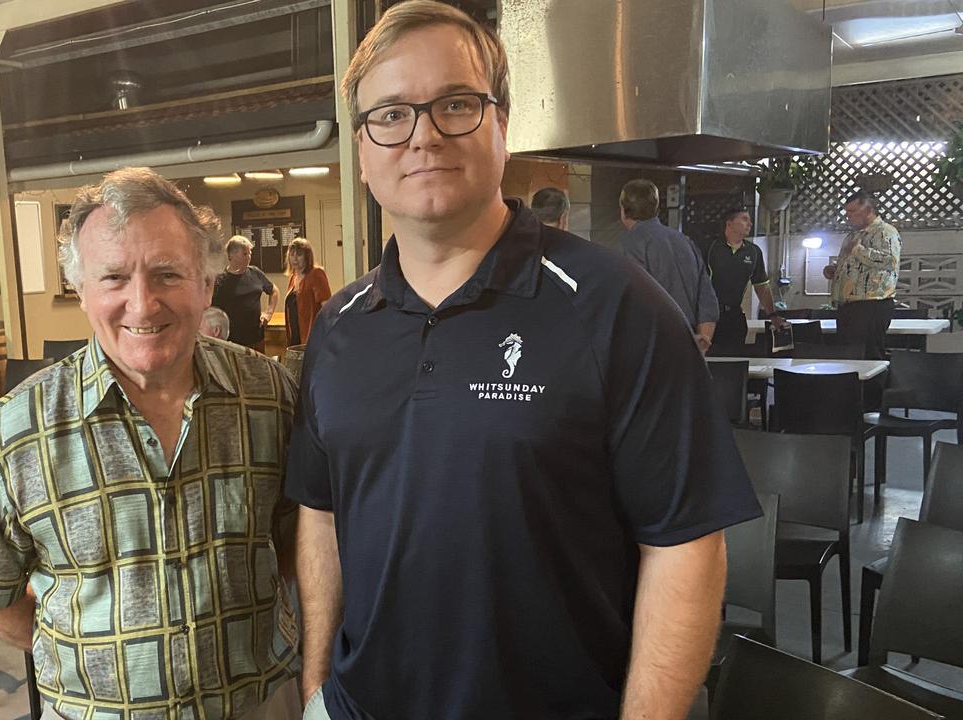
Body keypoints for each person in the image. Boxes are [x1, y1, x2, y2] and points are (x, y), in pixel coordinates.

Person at [287, 3, 761, 719]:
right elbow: (320, 515)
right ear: (361, 147)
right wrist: (317, 692)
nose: (422, 136)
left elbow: (687, 545)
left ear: (502, 123)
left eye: (455, 104)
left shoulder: (616, 307)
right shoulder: (338, 326)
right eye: (390, 114)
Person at [0, 167, 301, 720]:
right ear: (81, 291)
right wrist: (76, 651)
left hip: (259, 703)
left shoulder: (269, 394)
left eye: (167, 275)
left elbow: (300, 540)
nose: (142, 303)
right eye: (113, 278)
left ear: (206, 284)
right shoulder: (17, 429)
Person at [617, 179, 719, 353]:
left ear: (623, 210)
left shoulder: (630, 244)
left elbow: (635, 301)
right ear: (656, 208)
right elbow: (707, 300)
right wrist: (702, 342)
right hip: (690, 343)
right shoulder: (684, 241)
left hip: (655, 348)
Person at [824, 190, 901, 359]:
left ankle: (874, 386)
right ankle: (852, 385)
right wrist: (835, 270)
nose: (848, 216)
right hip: (848, 305)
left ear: (867, 211)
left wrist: (858, 250)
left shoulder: (886, 232)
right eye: (846, 212)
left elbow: (890, 261)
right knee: (849, 354)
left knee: (869, 354)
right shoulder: (853, 234)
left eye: (852, 212)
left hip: (871, 304)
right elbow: (853, 264)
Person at [706, 208, 784, 354]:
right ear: (729, 224)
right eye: (744, 219)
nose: (749, 223)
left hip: (734, 315)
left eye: (749, 220)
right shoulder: (711, 248)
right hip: (709, 315)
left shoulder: (753, 251)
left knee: (734, 361)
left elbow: (761, 286)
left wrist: (772, 314)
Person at [212, 236, 278, 351]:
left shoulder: (255, 273)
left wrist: (269, 313)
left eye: (249, 253)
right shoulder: (220, 281)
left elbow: (274, 291)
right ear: (231, 255)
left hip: (256, 339)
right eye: (244, 254)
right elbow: (212, 311)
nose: (249, 257)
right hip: (232, 343)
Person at [285, 238, 332, 346]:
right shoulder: (293, 277)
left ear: (307, 257)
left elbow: (327, 306)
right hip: (295, 335)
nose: (295, 259)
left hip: (312, 334)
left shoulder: (316, 274)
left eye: (299, 255)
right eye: (292, 255)